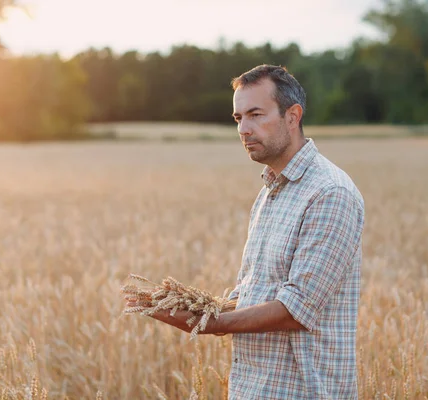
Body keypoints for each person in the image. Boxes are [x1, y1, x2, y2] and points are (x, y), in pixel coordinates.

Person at [128, 65, 364, 399]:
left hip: (304, 391)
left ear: (292, 116)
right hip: (254, 388)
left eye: (255, 114)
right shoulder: (271, 189)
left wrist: (213, 325)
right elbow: (253, 294)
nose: (244, 129)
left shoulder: (329, 193)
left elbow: (296, 310)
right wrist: (194, 306)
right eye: (238, 118)